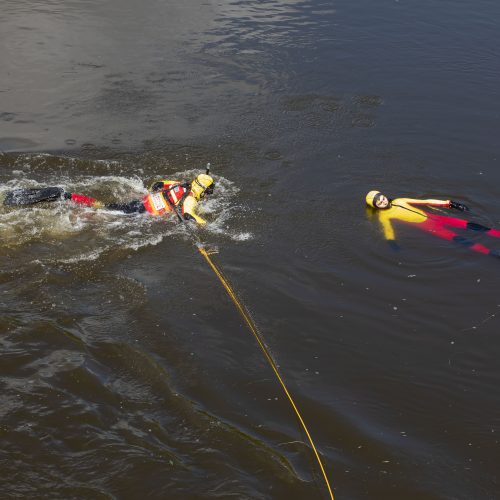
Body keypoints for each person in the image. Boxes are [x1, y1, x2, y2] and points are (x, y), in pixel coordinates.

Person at [2, 171, 215, 225]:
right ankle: (66, 198)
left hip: (141, 202)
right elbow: (189, 216)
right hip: (140, 213)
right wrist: (204, 223)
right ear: (203, 190)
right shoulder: (190, 200)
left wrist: (154, 196)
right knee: (104, 213)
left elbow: (158, 185)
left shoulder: (180, 184)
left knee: (109, 206)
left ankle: (68, 197)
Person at [365, 190, 500, 257]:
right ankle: (491, 253)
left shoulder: (400, 201)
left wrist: (449, 203)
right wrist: (391, 241)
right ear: (376, 206)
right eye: (378, 202)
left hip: (437, 218)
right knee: (461, 240)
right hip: (430, 227)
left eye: (381, 198)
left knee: (470, 225)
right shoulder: (384, 216)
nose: (382, 201)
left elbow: (426, 201)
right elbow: (388, 229)